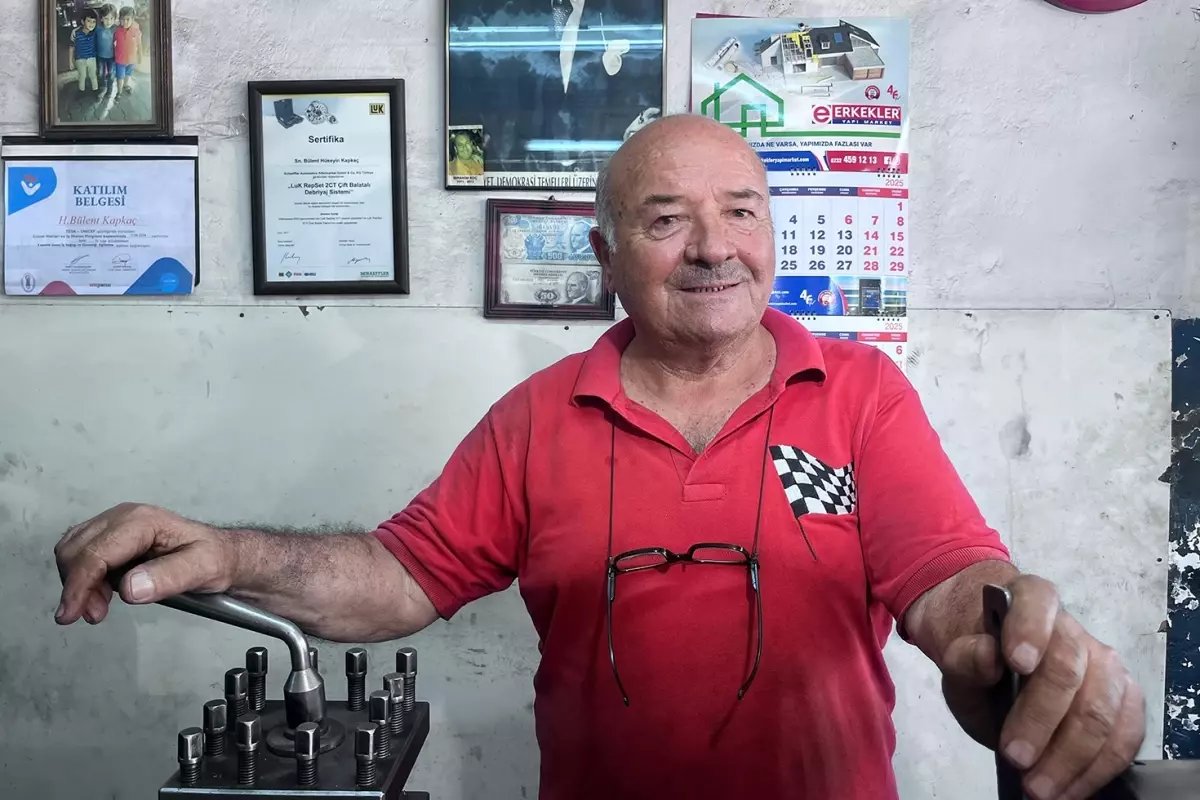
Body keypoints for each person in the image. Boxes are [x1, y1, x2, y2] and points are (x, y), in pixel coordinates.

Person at [54, 114, 1145, 800]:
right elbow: (397, 576)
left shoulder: (858, 393)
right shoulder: (538, 418)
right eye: (667, 220)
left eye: (741, 211)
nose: (714, 247)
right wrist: (229, 551)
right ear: (605, 258)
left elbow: (945, 575)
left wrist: (1008, 642)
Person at [69, 10, 100, 94]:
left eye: (94, 21)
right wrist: (70, 61)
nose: (91, 24)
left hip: (92, 58)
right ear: (83, 21)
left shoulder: (95, 32)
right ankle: (81, 91)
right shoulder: (75, 32)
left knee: (93, 75)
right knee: (82, 76)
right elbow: (71, 47)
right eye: (89, 21)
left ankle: (95, 91)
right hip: (80, 59)